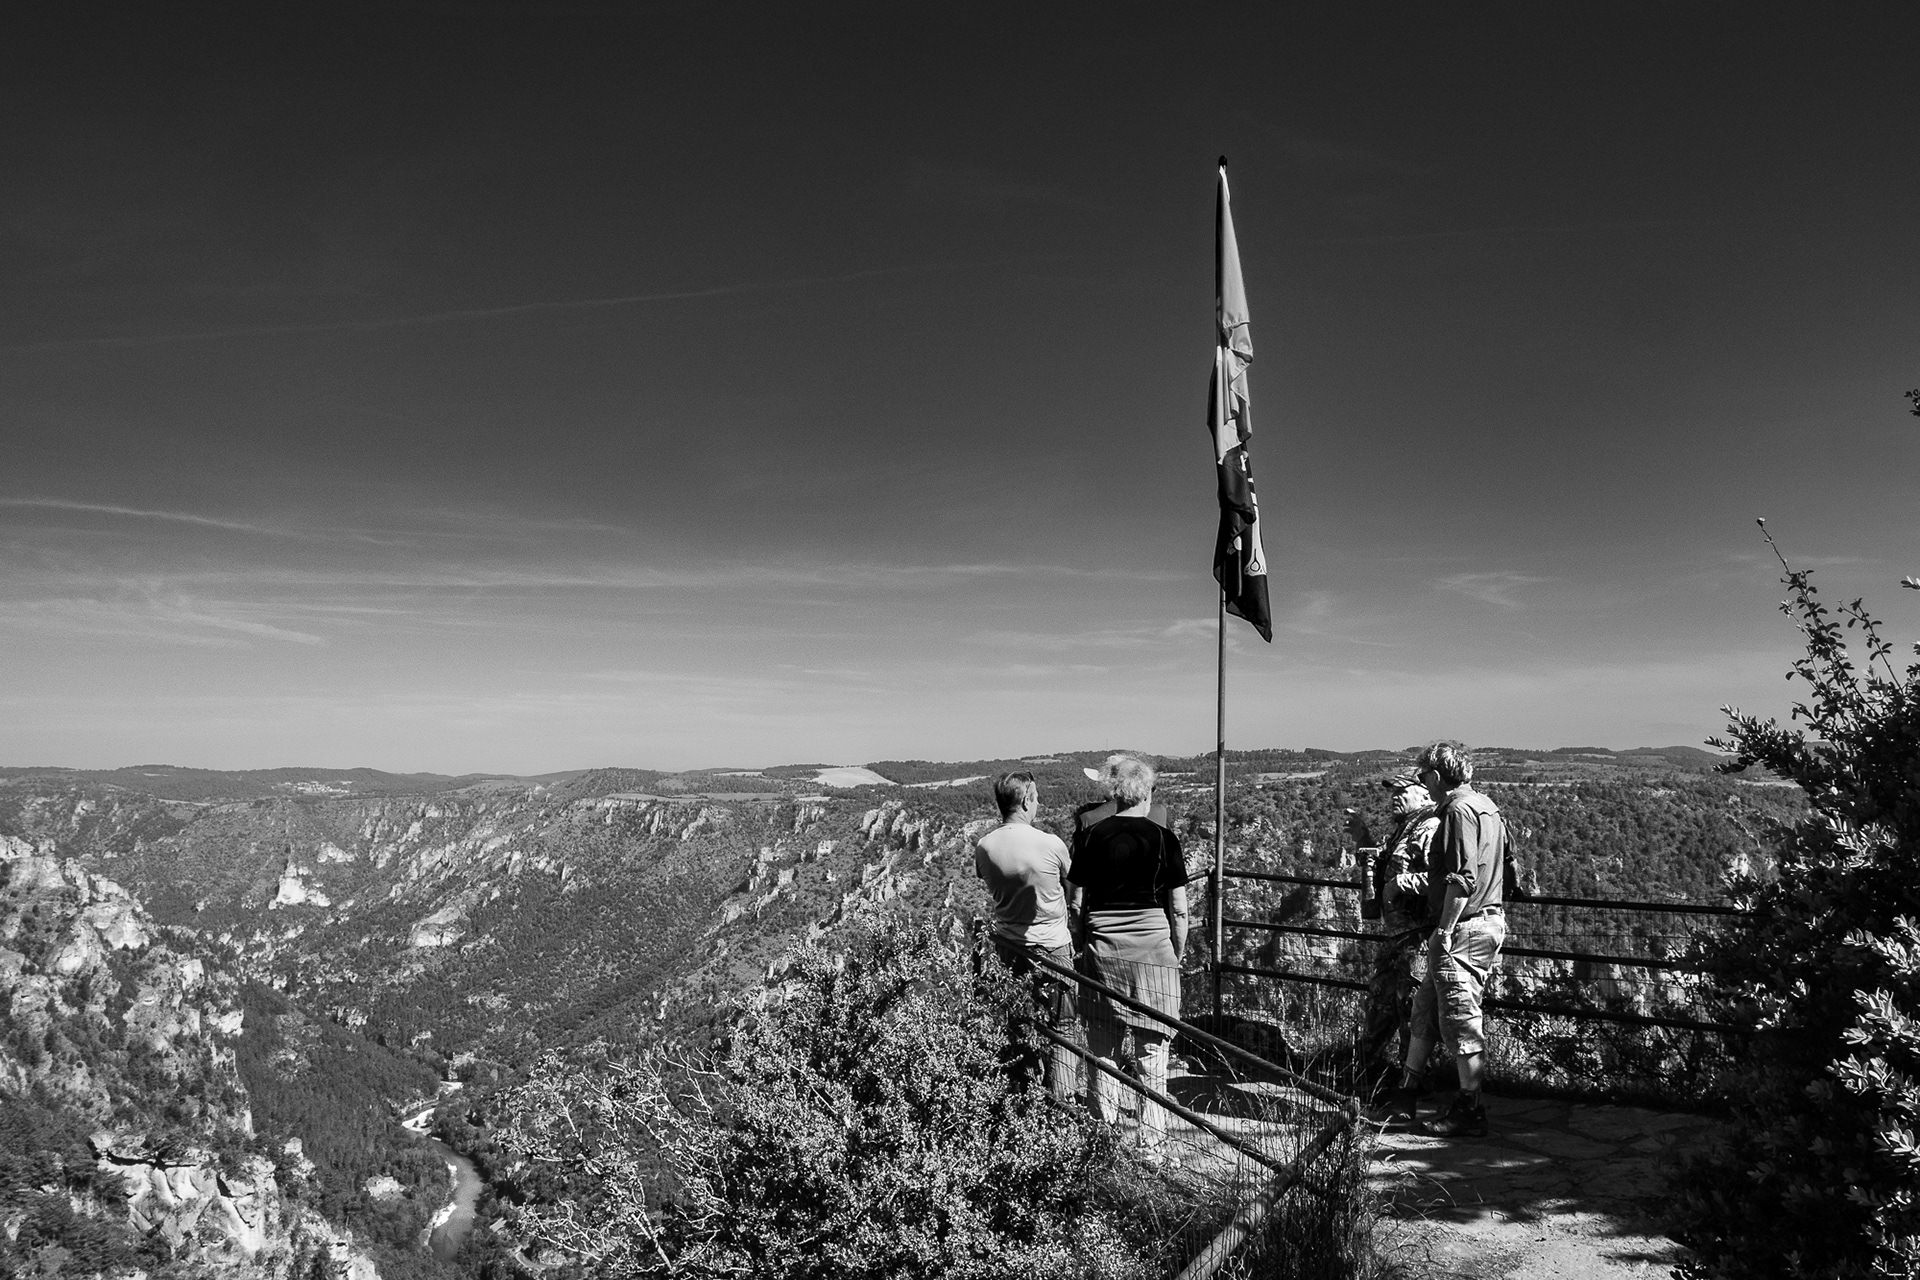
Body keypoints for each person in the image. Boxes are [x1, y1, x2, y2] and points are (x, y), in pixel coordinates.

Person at [1380, 740, 1509, 1137]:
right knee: (1425, 1008)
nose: (1423, 783)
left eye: (1423, 776)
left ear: (1436, 776)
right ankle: (1408, 1091)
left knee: (1460, 1017)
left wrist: (1444, 930)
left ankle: (1470, 1109)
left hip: (1464, 928)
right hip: (1483, 920)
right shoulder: (1487, 806)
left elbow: (1462, 879)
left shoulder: (1456, 811)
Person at [1067, 755, 1188, 1150]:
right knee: (1152, 1056)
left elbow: (1076, 902)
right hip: (1154, 954)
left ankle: (1105, 1145)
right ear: (1147, 793)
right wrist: (1176, 954)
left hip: (1104, 951)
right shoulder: (1164, 839)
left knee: (1103, 1051)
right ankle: (1151, 1149)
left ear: (1115, 792)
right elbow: (1180, 910)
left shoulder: (1091, 837)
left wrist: (1084, 942)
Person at [974, 770, 1079, 1101]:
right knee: (1063, 1026)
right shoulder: (1050, 844)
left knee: (1020, 1023)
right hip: (1053, 947)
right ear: (1025, 802)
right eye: (1036, 798)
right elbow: (1074, 885)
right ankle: (1061, 1103)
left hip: (1009, 948)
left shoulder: (985, 846)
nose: (1039, 803)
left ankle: (1026, 1097)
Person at [1352, 771, 1438, 1087]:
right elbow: (1384, 867)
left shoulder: (1430, 828)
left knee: (1412, 1009)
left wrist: (1400, 884)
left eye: (1402, 791)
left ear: (1425, 794)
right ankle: (1367, 1074)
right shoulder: (1404, 830)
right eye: (1393, 792)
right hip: (1397, 937)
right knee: (1381, 1001)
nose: (1394, 797)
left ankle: (1414, 1083)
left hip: (1419, 937)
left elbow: (1440, 880)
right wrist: (1364, 839)